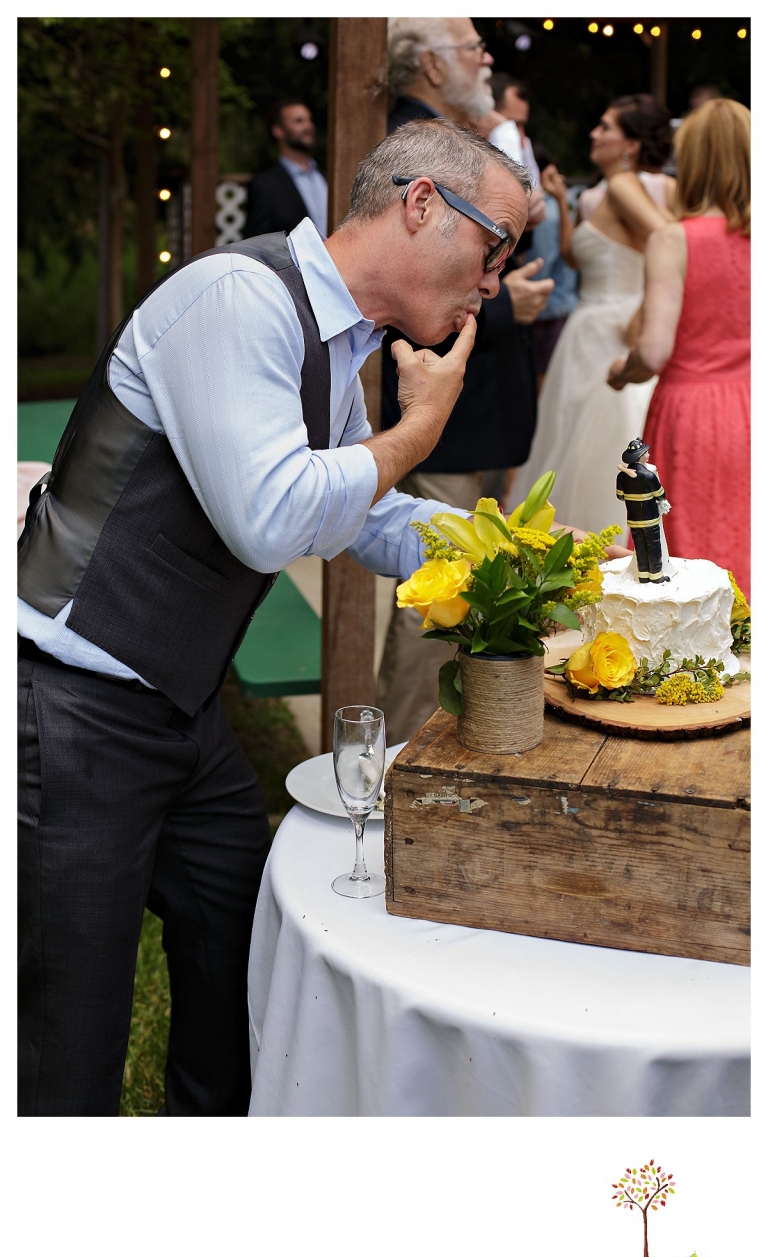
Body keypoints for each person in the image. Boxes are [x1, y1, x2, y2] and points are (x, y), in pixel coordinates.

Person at [17, 118, 533, 1117]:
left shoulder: (332, 337)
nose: (494, 283)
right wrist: (416, 429)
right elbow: (273, 516)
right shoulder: (236, 298)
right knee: (66, 1032)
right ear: (421, 203)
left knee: (238, 954)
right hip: (73, 708)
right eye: (495, 245)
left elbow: (361, 510)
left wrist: (512, 555)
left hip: (179, 706)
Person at [377, 17, 552, 744]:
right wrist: (507, 303)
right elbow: (410, 286)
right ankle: (399, 763)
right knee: (438, 596)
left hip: (473, 412)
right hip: (446, 413)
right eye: (471, 47)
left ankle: (429, 751)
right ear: (430, 66)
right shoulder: (409, 145)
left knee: (460, 587)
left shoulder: (457, 135)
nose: (487, 56)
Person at [507, 94, 675, 538]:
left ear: (631, 143)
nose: (593, 133)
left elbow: (671, 241)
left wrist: (648, 305)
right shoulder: (597, 195)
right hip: (585, 330)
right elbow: (578, 259)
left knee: (606, 448)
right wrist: (563, 204)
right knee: (569, 445)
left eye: (605, 126)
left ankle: (604, 551)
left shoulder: (626, 187)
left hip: (615, 331)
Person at [607, 99, 750, 597]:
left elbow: (653, 352)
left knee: (682, 566)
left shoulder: (675, 239)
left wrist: (621, 372)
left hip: (693, 415)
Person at [525, 142, 579, 385]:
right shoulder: (564, 206)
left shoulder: (545, 214)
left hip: (546, 311)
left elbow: (539, 265)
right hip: (561, 306)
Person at [243, 101, 328, 238]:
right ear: (278, 130)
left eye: (309, 120)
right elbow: (257, 241)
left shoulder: (326, 177)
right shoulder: (265, 185)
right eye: (299, 121)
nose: (309, 126)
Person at [615, 438, 670, 584]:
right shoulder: (649, 475)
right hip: (650, 518)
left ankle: (643, 575)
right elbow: (661, 495)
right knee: (653, 546)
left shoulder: (622, 476)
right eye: (646, 453)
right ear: (640, 457)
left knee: (640, 547)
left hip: (634, 519)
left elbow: (620, 496)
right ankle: (656, 575)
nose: (648, 455)